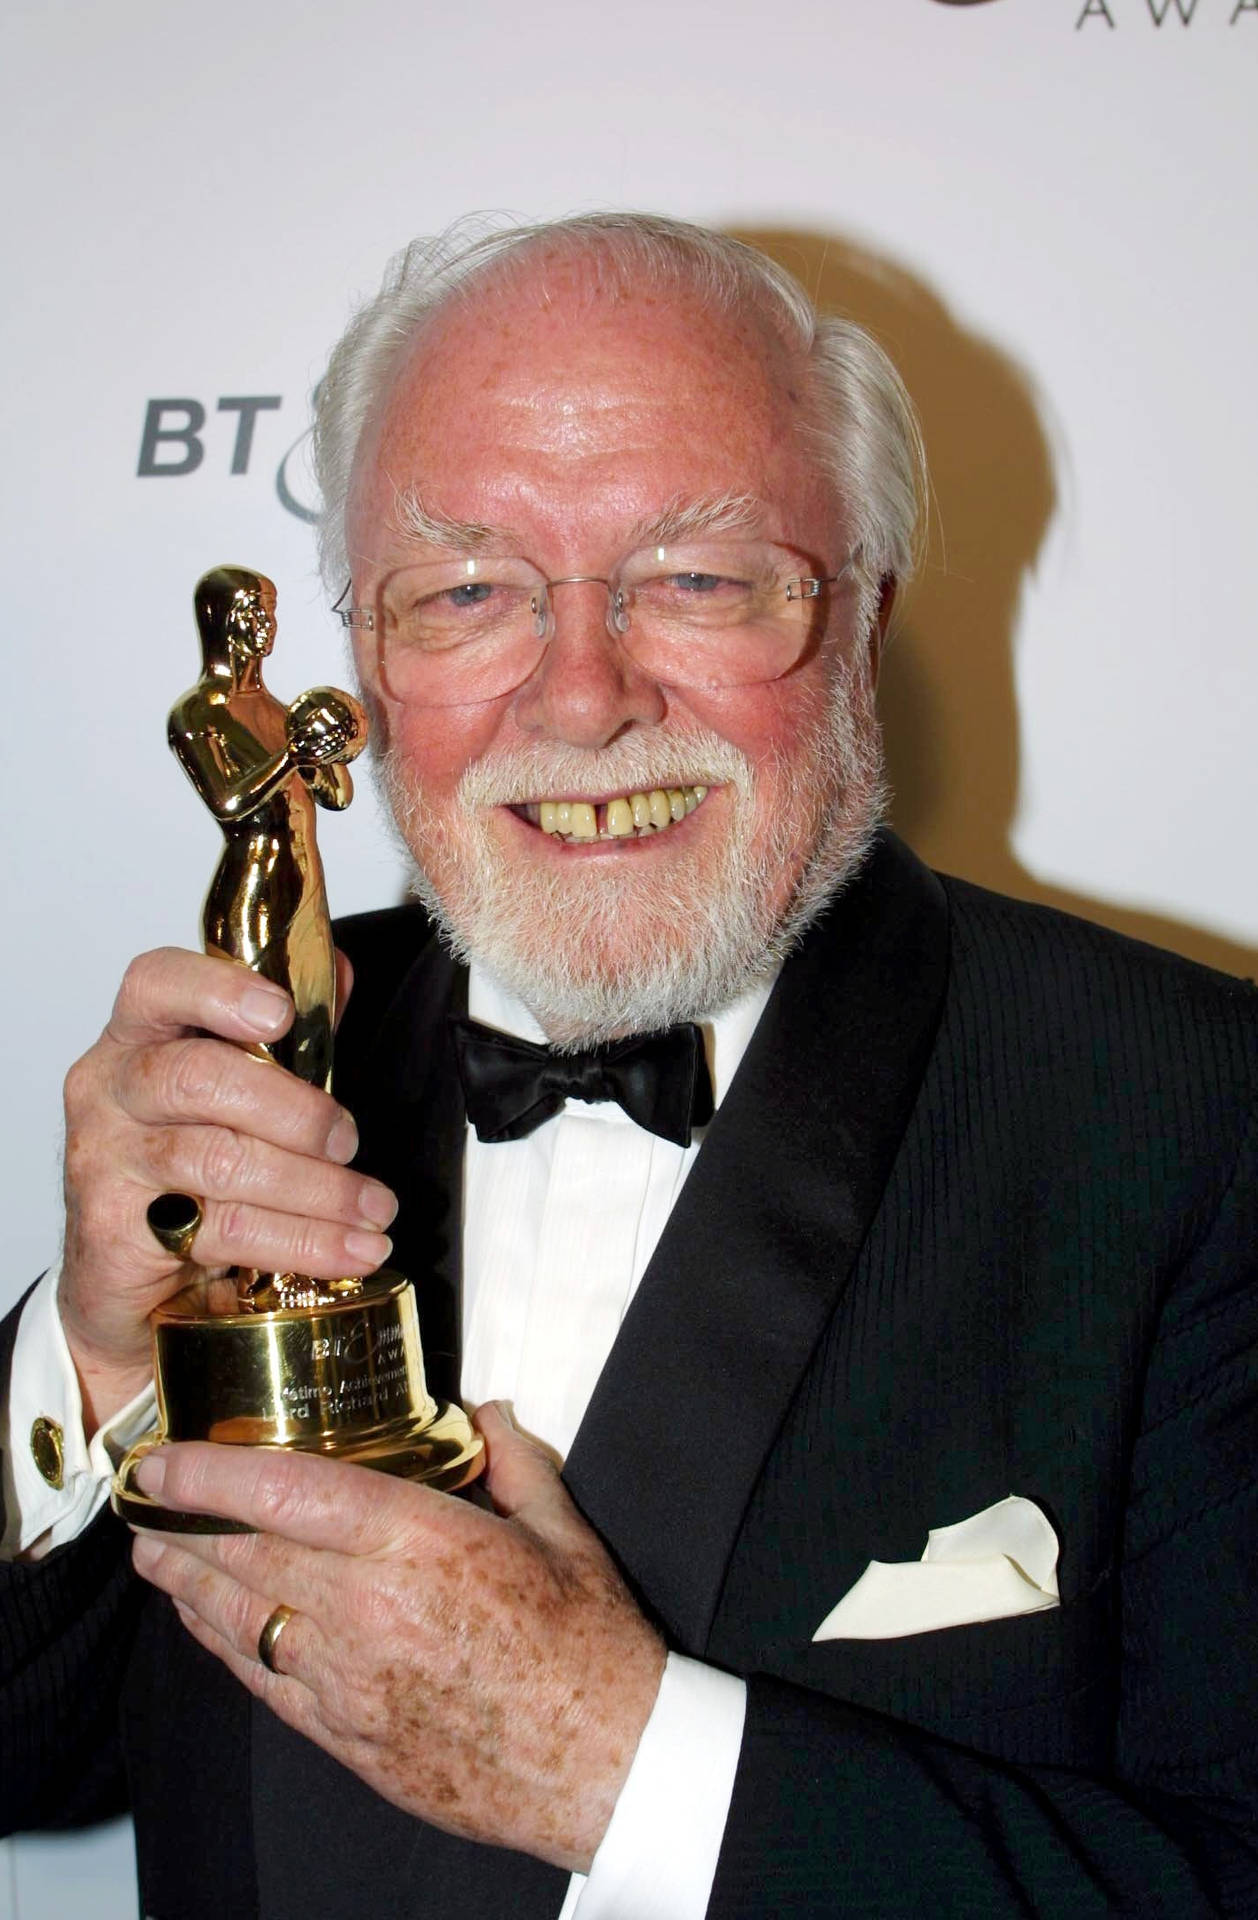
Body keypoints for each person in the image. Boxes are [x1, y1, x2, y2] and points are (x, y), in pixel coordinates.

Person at [2, 212, 1256, 1919]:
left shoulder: (1198, 1116)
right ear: (369, 660)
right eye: (466, 592)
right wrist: (84, 1357)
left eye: (696, 578)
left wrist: (626, 1767)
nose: (581, 697)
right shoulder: (260, 1049)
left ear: (864, 615)